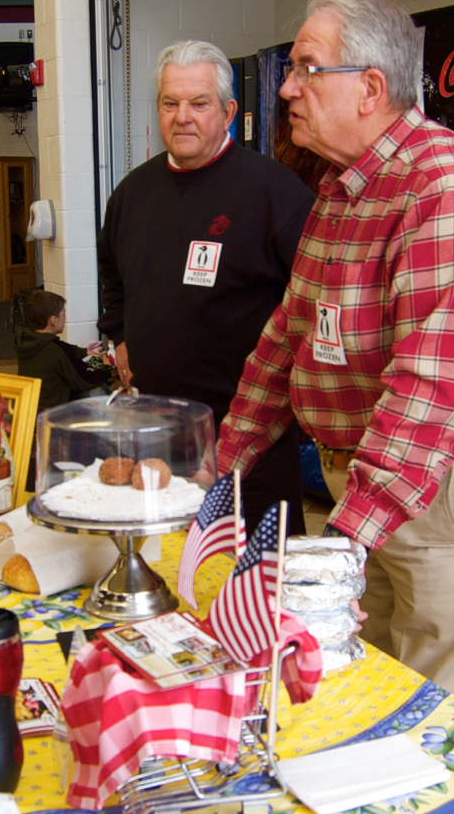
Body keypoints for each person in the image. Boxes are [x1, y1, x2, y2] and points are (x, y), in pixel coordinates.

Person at [216, 0, 454, 736]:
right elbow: (286, 340)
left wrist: (344, 545)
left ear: (370, 88)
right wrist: (221, 469)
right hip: (378, 474)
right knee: (367, 694)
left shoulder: (449, 190)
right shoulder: (342, 191)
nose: (286, 88)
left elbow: (431, 392)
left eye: (306, 68)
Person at [96, 39, 315, 535]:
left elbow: (316, 295)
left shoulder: (274, 191)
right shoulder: (132, 194)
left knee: (256, 571)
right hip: (157, 433)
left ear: (228, 111)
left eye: (199, 103)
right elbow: (111, 270)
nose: (183, 117)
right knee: (167, 559)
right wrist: (120, 334)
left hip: (250, 437)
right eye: (170, 103)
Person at [13, 288, 113, 410]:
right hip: (52, 412)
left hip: (29, 408)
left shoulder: (27, 341)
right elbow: (84, 380)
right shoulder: (57, 350)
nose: (65, 318)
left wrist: (84, 351)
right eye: (63, 314)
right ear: (54, 320)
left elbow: (66, 350)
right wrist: (106, 367)